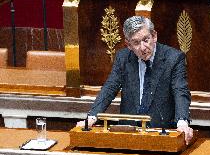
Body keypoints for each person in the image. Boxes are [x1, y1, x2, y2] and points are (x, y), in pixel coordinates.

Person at [77, 16, 193, 145]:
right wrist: (92, 117)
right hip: (128, 133)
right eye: (136, 43)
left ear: (154, 36)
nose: (143, 48)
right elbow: (110, 88)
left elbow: (180, 91)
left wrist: (182, 122)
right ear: (129, 45)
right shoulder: (123, 58)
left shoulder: (174, 58)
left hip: (162, 132)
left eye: (146, 40)